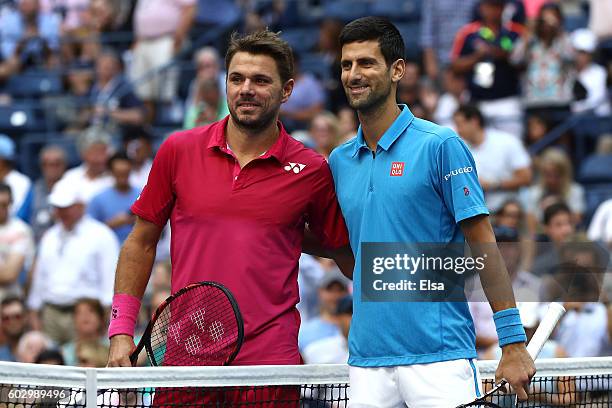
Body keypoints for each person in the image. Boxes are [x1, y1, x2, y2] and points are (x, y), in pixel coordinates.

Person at [107, 29, 352, 404]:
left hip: (270, 362)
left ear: (286, 90)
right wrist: (122, 330)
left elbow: (344, 253)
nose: (246, 89)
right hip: (187, 356)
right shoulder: (178, 150)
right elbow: (141, 241)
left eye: (260, 80)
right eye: (236, 79)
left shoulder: (311, 169)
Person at [329, 17, 535, 407]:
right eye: (346, 65)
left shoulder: (441, 145)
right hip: (366, 362)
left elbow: (482, 242)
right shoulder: (339, 161)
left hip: (441, 359)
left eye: (367, 63)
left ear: (397, 70)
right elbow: (352, 255)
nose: (354, 74)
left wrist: (511, 340)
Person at [27, 177, 119, 345]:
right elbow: (40, 278)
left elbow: (110, 280)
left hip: (85, 313)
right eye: (58, 208)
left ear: (81, 206)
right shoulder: (50, 236)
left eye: (66, 207)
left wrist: (107, 318)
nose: (61, 212)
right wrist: (34, 311)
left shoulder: (101, 235)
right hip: (50, 313)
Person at [453, 104, 532, 213]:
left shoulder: (507, 141)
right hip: (475, 212)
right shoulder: (459, 149)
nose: (458, 130)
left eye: (460, 124)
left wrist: (493, 185)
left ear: (474, 121)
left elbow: (526, 177)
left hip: (510, 208)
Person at [88, 152, 140, 244]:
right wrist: (113, 224)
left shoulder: (143, 195)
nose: (123, 177)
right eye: (118, 173)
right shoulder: (98, 199)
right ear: (111, 172)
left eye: (125, 173)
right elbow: (88, 233)